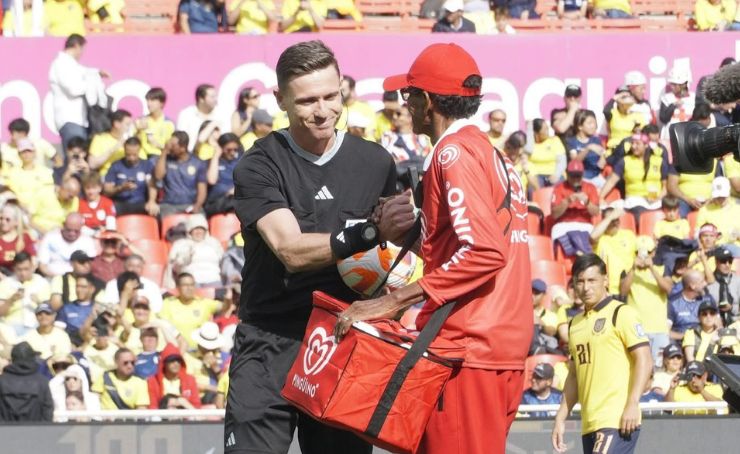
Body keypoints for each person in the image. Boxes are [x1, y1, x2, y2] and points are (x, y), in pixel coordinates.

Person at [337, 42, 532, 454]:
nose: (404, 105)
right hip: (497, 341)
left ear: (427, 101)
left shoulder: (452, 152)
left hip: (468, 345)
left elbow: (484, 252)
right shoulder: (493, 154)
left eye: (408, 96)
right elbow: (475, 247)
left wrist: (391, 303)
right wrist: (417, 231)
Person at [226, 40, 410, 454]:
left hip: (344, 339)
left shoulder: (376, 162)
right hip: (269, 341)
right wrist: (369, 232)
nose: (322, 110)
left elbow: (393, 250)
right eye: (307, 100)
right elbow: (290, 250)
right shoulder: (259, 164)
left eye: (331, 95)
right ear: (280, 100)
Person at [552, 254, 652, 454]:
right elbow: (574, 374)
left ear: (605, 280)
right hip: (589, 423)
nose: (586, 287)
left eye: (592, 280)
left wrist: (632, 404)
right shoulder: (575, 324)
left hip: (618, 418)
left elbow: (645, 359)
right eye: (580, 281)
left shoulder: (621, 314)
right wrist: (561, 417)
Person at [48, 34, 110, 154]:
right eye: (82, 49)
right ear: (76, 46)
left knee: (82, 156)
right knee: (75, 158)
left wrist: (98, 73)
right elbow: (74, 89)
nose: (82, 53)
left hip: (80, 119)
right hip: (70, 119)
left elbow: (84, 71)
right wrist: (91, 84)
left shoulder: (71, 65)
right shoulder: (61, 64)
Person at [621, 236, 674, 365]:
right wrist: (633, 268)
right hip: (637, 330)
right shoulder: (628, 271)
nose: (645, 256)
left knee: (659, 366)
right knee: (637, 366)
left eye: (648, 253)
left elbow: (668, 288)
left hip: (659, 329)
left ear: (654, 252)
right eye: (640, 253)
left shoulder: (662, 269)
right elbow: (623, 291)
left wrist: (652, 269)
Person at [600, 132, 668, 225]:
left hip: (655, 199)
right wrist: (601, 197)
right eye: (633, 143)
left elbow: (665, 186)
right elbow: (612, 181)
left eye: (637, 144)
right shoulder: (625, 161)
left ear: (646, 145)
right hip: (634, 199)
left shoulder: (659, 161)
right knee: (639, 211)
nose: (634, 146)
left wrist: (658, 198)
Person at [148, 131, 207, 218]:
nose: (169, 147)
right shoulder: (164, 160)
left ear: (183, 147)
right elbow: (158, 176)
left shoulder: (197, 163)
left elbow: (202, 189)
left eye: (173, 145)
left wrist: (197, 206)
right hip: (168, 206)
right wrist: (164, 152)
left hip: (190, 204)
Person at [158, 273, 222, 349]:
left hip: (200, 351)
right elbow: (163, 325)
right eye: (185, 285)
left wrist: (228, 298)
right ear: (178, 287)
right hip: (177, 352)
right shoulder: (168, 304)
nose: (189, 288)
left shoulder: (203, 303)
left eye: (192, 285)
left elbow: (224, 307)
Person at [550, 160, 599, 256]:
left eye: (578, 176)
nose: (576, 179)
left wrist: (587, 202)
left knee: (592, 234)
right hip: (564, 224)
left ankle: (578, 250)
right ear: (567, 174)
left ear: (582, 174)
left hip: (584, 224)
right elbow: (554, 214)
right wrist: (567, 201)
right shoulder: (559, 188)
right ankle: (580, 251)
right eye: (573, 176)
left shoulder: (590, 187)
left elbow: (596, 212)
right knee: (558, 231)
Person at [0, 252, 52, 337]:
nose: (23, 273)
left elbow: (50, 312)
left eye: (26, 269)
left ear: (32, 267)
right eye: (19, 269)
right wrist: (11, 300)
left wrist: (39, 303)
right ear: (14, 268)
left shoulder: (42, 283)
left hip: (36, 325)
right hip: (10, 326)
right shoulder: (6, 283)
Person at [0, 341, 53, 421]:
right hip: (35, 432)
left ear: (13, 359)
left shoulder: (1, 381)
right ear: (31, 359)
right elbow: (47, 412)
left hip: (5, 432)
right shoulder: (41, 382)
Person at [165, 215, 224, 287]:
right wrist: (186, 257)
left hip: (214, 279)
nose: (199, 232)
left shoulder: (214, 243)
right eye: (195, 229)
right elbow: (174, 266)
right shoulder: (181, 244)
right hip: (190, 282)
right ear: (189, 231)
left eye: (201, 229)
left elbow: (222, 262)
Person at [590, 206, 637, 295]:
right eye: (611, 220)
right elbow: (592, 237)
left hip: (630, 288)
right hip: (609, 291)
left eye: (617, 219)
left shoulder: (629, 234)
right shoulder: (600, 239)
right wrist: (611, 216)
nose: (615, 223)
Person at [103, 137, 156, 215]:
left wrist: (151, 201)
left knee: (154, 210)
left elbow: (152, 186)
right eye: (128, 155)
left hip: (140, 203)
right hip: (120, 203)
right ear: (124, 150)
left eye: (134, 154)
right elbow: (106, 191)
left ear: (139, 150)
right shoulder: (116, 166)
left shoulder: (147, 165)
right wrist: (121, 188)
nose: (131, 158)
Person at [37, 213, 97, 277]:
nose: (72, 234)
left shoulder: (87, 241)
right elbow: (42, 265)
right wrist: (59, 279)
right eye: (69, 230)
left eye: (76, 231)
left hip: (77, 279)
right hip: (52, 278)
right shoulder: (50, 238)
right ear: (63, 225)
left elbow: (89, 267)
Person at [147, 343, 201, 410]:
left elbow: (196, 404)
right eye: (171, 361)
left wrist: (182, 403)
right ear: (164, 363)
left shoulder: (190, 380)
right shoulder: (153, 381)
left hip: (187, 416)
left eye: (178, 360)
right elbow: (153, 406)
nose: (176, 364)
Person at [176, 84, 226, 152]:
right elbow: (181, 138)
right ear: (201, 99)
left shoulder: (222, 114)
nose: (216, 99)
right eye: (212, 97)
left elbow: (226, 138)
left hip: (218, 156)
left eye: (216, 96)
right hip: (192, 156)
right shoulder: (186, 114)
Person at [668, 269, 714, 342]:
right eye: (702, 281)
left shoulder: (708, 299)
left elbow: (718, 324)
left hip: (706, 341)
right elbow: (666, 332)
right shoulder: (673, 303)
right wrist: (688, 337)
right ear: (692, 286)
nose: (705, 284)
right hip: (681, 344)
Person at [565, 110, 606, 188]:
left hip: (597, 177)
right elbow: (575, 161)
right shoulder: (571, 141)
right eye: (590, 123)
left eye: (594, 123)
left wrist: (603, 157)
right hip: (580, 178)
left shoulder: (596, 140)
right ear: (580, 126)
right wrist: (588, 148)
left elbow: (602, 157)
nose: (593, 126)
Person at [205, 134, 243, 217]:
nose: (232, 153)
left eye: (235, 149)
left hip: (235, 199)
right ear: (221, 148)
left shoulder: (240, 161)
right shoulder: (212, 162)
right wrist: (216, 156)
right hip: (216, 202)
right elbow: (211, 180)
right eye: (228, 150)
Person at [695, 177, 740, 246]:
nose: (720, 199)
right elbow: (697, 233)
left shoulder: (737, 208)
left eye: (723, 196)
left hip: (735, 246)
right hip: (713, 247)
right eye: (718, 197)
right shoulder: (705, 209)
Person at [136, 87, 175, 159]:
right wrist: (138, 131)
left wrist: (155, 142)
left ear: (162, 103)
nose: (148, 103)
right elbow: (133, 144)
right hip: (142, 160)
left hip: (160, 158)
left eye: (152, 100)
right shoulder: (140, 120)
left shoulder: (169, 124)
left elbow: (170, 148)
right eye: (147, 100)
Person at [529, 118, 566, 188]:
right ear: (536, 133)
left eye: (547, 128)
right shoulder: (529, 145)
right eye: (545, 129)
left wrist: (556, 175)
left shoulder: (555, 140)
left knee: (557, 185)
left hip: (554, 173)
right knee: (532, 187)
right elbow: (527, 153)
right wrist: (529, 131)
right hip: (536, 175)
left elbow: (562, 161)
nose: (548, 131)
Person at [0, 203, 36, 275]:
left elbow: (33, 262)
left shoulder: (25, 238)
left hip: (20, 276)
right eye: (1, 218)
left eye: (8, 219)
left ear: (16, 222)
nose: (3, 222)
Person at [707, 247, 739, 325]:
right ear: (716, 262)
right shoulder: (708, 282)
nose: (727, 265)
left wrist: (731, 308)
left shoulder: (738, 281)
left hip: (736, 321)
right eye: (723, 261)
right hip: (713, 324)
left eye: (730, 261)